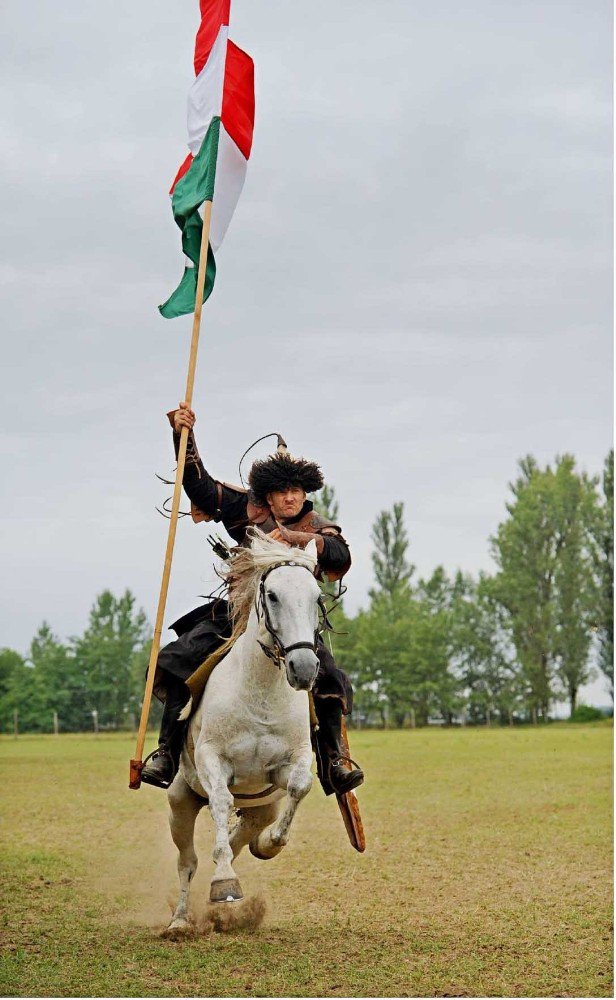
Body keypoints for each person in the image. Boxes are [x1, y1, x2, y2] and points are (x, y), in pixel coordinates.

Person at [141, 402, 364, 798]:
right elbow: (200, 486)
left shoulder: (316, 526)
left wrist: (295, 539)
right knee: (176, 661)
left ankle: (333, 760)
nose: (290, 498)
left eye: (296, 491)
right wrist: (183, 436)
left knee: (330, 677)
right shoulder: (242, 509)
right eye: (282, 491)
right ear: (268, 496)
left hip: (294, 623)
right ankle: (167, 753)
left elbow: (340, 555)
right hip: (238, 615)